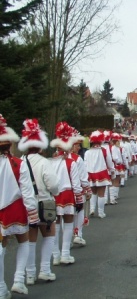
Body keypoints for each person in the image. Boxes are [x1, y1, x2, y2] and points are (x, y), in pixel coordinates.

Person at [0, 115, 39, 296]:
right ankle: (18, 280)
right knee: (23, 241)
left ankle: (1, 287)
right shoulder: (18, 163)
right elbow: (27, 192)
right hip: (15, 208)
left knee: (1, 247)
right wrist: (33, 214)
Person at [18, 119, 60, 285]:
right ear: (40, 145)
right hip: (45, 204)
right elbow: (54, 185)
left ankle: (29, 274)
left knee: (30, 239)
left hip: (26, 206)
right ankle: (45, 270)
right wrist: (53, 192)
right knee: (49, 235)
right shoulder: (44, 162)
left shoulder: (20, 161)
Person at [49, 122, 83, 266]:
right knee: (68, 224)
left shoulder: (49, 162)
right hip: (68, 195)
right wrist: (80, 200)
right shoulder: (71, 163)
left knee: (56, 225)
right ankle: (65, 254)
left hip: (54, 195)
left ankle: (56, 255)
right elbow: (76, 185)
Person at [69, 128, 91, 246]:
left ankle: (69, 238)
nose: (79, 148)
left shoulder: (58, 158)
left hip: (65, 193)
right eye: (76, 145)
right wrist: (88, 189)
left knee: (67, 216)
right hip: (77, 190)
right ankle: (78, 234)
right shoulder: (77, 159)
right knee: (80, 211)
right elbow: (83, 178)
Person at [86, 130, 114, 218]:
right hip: (101, 173)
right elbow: (109, 162)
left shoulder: (87, 152)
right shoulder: (104, 150)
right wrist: (112, 170)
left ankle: (92, 209)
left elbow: (85, 164)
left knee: (93, 193)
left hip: (90, 174)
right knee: (101, 194)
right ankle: (101, 213)